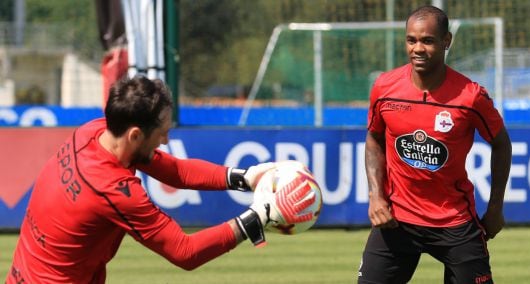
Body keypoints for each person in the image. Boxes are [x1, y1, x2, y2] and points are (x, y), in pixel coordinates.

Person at [6, 76, 314, 283]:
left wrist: (246, 177)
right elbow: (185, 252)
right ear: (135, 134)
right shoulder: (113, 190)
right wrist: (258, 218)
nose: (166, 139)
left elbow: (174, 171)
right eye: (162, 131)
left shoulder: (94, 132)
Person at [357, 5, 512, 284]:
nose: (418, 48)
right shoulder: (384, 88)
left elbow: (501, 144)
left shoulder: (471, 96)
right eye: (411, 40)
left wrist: (495, 207)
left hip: (454, 222)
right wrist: (376, 195)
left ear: (446, 42)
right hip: (397, 220)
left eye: (427, 40)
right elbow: (374, 138)